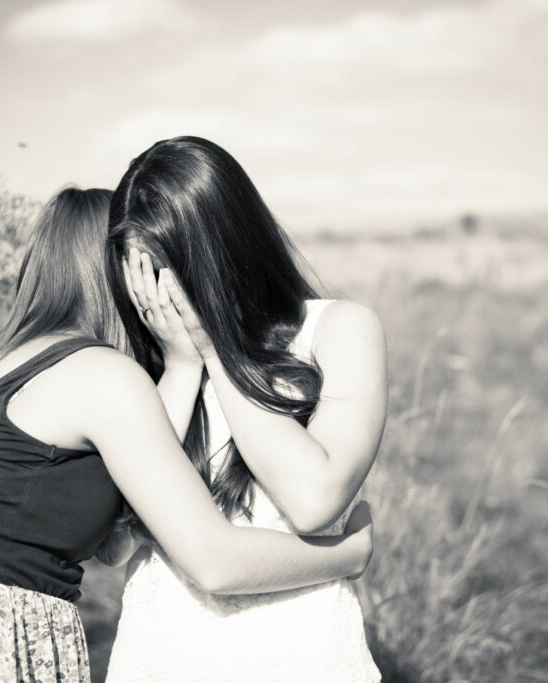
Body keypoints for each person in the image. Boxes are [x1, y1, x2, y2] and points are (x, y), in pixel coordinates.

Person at [0, 187, 374, 682]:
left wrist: (180, 366)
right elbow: (214, 560)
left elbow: (117, 536)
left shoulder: (1, 370)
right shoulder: (103, 376)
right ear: (122, 275)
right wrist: (347, 555)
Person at [101, 137, 387, 682]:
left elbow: (312, 501)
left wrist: (217, 350)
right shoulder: (150, 357)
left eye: (172, 269)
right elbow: (110, 541)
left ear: (225, 247)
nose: (161, 296)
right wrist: (180, 369)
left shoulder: (338, 330)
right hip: (162, 660)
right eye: (142, 274)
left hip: (301, 658)